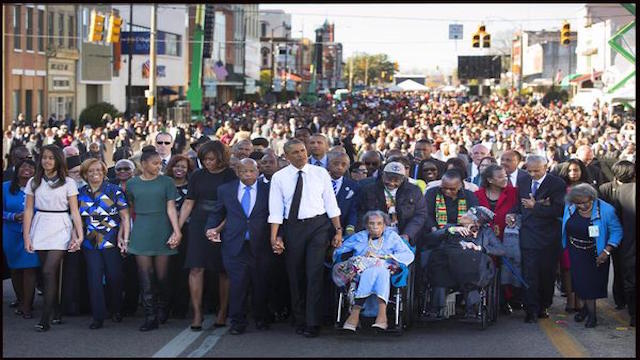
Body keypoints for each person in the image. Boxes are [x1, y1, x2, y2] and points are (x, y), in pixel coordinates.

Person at [268, 138, 343, 338]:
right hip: (292, 228)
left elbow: (330, 203)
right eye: (296, 152)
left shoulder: (320, 173)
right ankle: (299, 317)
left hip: (318, 226)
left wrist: (338, 230)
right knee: (295, 274)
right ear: (286, 156)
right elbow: (275, 209)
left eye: (303, 150)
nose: (301, 155)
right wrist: (274, 237)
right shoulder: (279, 177)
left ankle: (312, 321)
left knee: (314, 273)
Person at [204, 159, 271, 335]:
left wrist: (277, 237)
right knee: (237, 284)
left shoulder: (269, 190)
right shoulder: (226, 190)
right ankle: (237, 322)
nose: (248, 175)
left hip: (261, 245)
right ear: (237, 172)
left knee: (260, 284)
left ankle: (261, 318)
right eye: (243, 171)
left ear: (258, 171)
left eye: (251, 171)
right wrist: (210, 229)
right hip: (234, 245)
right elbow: (218, 212)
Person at [22, 145, 84, 332]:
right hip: (40, 225)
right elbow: (28, 210)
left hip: (61, 226)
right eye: (44, 158)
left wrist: (79, 234)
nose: (47, 161)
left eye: (51, 157)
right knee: (48, 273)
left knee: (49, 271)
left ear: (58, 160)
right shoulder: (34, 181)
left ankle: (45, 319)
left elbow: (74, 211)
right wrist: (26, 236)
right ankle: (55, 309)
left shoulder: (68, 183)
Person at [178, 141, 236, 330]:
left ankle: (222, 312)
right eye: (204, 159)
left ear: (221, 158)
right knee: (196, 268)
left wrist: (219, 228)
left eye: (211, 159)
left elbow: (233, 207)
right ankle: (197, 313)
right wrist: (177, 229)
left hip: (223, 223)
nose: (208, 163)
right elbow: (189, 203)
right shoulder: (197, 175)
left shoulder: (230, 175)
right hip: (198, 224)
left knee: (223, 270)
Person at [125, 146, 182, 331]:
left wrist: (176, 231)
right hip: (141, 229)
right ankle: (150, 316)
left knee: (162, 276)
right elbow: (129, 210)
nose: (158, 166)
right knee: (145, 276)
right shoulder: (132, 183)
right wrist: (125, 233)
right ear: (143, 164)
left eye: (160, 163)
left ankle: (163, 308)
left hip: (162, 228)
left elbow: (171, 208)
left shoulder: (167, 182)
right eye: (154, 163)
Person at [507, 155, 566, 324]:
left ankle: (543, 305)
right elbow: (519, 203)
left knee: (547, 273)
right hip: (528, 235)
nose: (532, 174)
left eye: (536, 171)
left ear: (545, 167)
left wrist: (536, 206)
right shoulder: (524, 181)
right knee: (530, 273)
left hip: (549, 236)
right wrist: (512, 213)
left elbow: (559, 210)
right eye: (529, 170)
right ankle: (530, 309)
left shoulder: (557, 184)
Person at [334, 210, 414, 331]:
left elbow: (407, 254)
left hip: (386, 269)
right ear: (366, 225)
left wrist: (384, 257)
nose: (375, 226)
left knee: (379, 270)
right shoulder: (359, 237)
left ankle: (355, 313)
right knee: (375, 271)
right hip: (361, 272)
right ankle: (382, 317)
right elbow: (339, 251)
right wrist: (355, 258)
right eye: (371, 223)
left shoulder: (392, 237)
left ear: (385, 225)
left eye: (379, 223)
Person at [77, 158, 130, 329]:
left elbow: (125, 217)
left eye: (98, 170)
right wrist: (76, 237)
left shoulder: (114, 191)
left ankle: (116, 309)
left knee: (115, 276)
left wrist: (125, 238)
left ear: (104, 172)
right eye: (91, 171)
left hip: (112, 238)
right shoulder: (80, 192)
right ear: (85, 174)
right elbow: (76, 219)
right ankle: (98, 316)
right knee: (94, 278)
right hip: (90, 240)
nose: (95, 174)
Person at [427, 206, 506, 319]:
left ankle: (472, 309)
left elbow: (502, 250)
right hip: (449, 267)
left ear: (476, 221)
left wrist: (481, 248)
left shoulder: (486, 232)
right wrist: (451, 230)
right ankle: (436, 308)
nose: (463, 216)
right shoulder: (452, 227)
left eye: (467, 216)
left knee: (471, 276)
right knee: (439, 271)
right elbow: (431, 238)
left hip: (472, 268)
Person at [561, 184, 622, 328]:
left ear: (592, 198)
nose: (581, 206)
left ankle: (592, 316)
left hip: (596, 253)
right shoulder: (570, 206)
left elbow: (617, 231)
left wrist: (606, 251)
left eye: (585, 202)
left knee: (590, 286)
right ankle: (584, 310)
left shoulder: (606, 210)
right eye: (578, 203)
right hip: (575, 251)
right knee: (580, 283)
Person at [474, 164, 519, 314]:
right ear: (490, 180)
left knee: (506, 268)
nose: (504, 179)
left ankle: (507, 299)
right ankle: (484, 299)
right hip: (485, 238)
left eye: (505, 175)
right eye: (500, 177)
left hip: (507, 237)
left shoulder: (513, 193)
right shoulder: (478, 194)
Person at [3, 159, 40, 319]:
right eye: (23, 166)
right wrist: (13, 216)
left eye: (31, 167)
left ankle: (27, 305)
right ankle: (20, 300)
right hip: (11, 233)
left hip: (33, 233)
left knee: (30, 268)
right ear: (16, 170)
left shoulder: (40, 188)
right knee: (16, 269)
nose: (27, 169)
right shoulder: (5, 188)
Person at [357, 161, 427, 245]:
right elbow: (360, 212)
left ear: (403, 179)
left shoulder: (414, 191)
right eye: (389, 178)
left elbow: (420, 214)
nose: (391, 183)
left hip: (403, 233)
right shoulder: (369, 190)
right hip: (374, 233)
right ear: (383, 175)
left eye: (396, 180)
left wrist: (407, 234)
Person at [556, 158, 592, 314]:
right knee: (567, 268)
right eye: (570, 170)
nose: (573, 173)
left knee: (583, 267)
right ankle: (570, 300)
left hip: (584, 232)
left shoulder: (589, 188)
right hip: (565, 231)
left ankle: (581, 298)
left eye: (576, 170)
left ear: (582, 171)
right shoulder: (560, 188)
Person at [598, 160, 635, 311]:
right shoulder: (606, 189)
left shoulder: (630, 189)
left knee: (627, 270)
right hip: (614, 234)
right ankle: (620, 299)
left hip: (629, 235)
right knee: (618, 268)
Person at [165, 154, 195, 318]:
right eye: (177, 166)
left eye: (183, 167)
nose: (180, 169)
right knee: (167, 270)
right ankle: (165, 304)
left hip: (187, 231)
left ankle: (181, 306)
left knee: (183, 269)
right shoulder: (164, 184)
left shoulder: (192, 186)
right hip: (165, 230)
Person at [109, 158, 139, 317]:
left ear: (133, 171)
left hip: (136, 231)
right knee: (116, 271)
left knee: (133, 271)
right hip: (113, 232)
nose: (122, 172)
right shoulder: (111, 188)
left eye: (126, 169)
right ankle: (115, 304)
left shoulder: (139, 185)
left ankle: (131, 305)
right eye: (119, 169)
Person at [328, 152, 360, 236]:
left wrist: (350, 227)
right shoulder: (319, 182)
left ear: (348, 166)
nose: (339, 167)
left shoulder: (352, 186)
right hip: (319, 229)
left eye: (343, 164)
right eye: (335, 163)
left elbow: (353, 209)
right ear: (328, 163)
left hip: (341, 229)